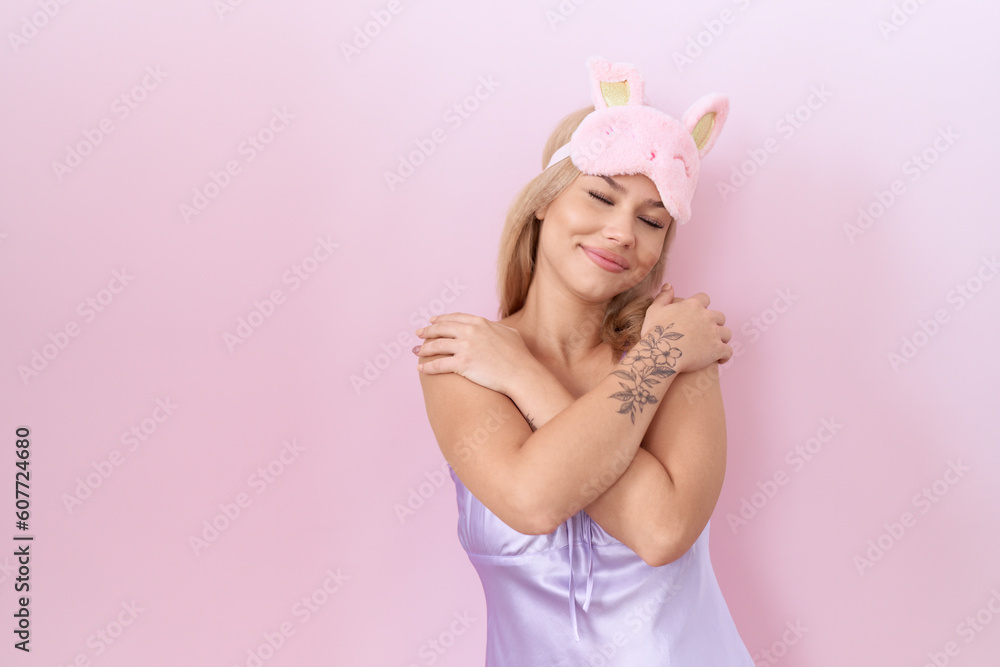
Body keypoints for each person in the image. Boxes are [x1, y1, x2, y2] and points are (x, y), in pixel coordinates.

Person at [414, 56, 755, 665]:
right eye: (601, 196)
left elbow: (660, 532)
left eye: (652, 222)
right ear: (544, 203)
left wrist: (528, 374)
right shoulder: (462, 358)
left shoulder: (678, 349)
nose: (623, 232)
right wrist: (522, 367)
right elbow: (533, 499)